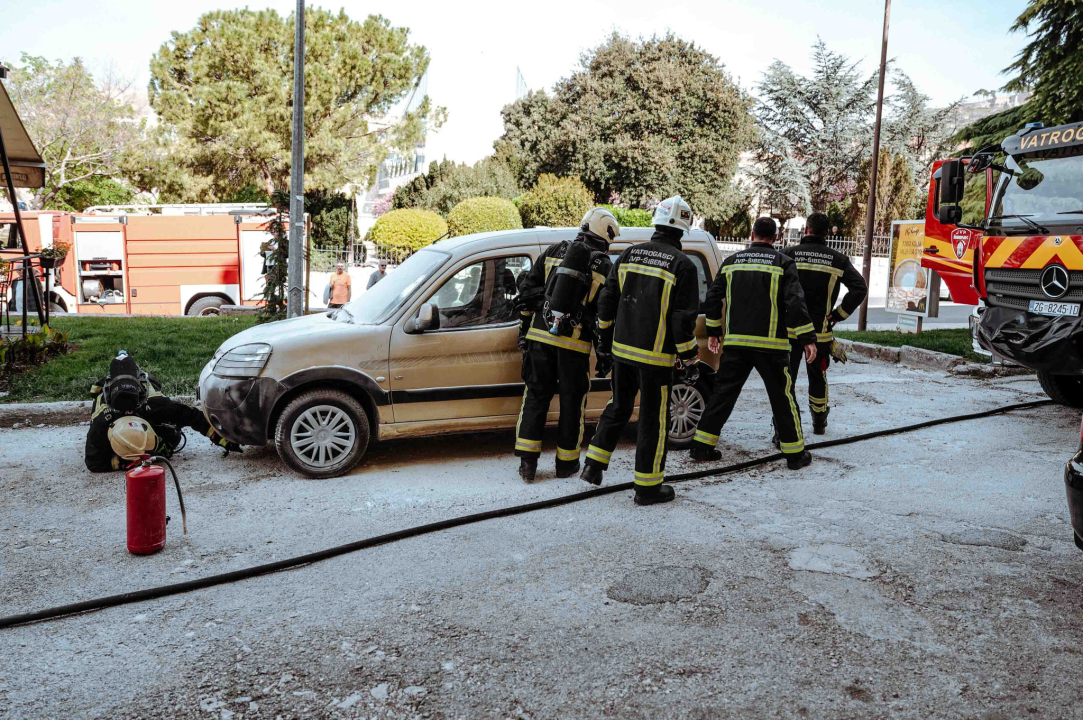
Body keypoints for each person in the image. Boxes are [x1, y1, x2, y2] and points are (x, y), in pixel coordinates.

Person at [581, 195, 701, 505]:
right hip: (656, 360)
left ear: (657, 223)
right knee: (653, 420)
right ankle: (648, 488)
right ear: (683, 229)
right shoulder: (683, 266)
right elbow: (681, 322)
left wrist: (605, 343)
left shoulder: (629, 254)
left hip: (622, 353)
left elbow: (606, 302)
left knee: (618, 406)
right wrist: (690, 359)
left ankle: (593, 466)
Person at [690, 216, 817, 470]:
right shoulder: (784, 263)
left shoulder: (731, 262)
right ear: (777, 238)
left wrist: (714, 331)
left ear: (752, 234)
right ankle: (794, 455)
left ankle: (701, 447)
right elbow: (795, 302)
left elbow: (713, 299)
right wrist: (807, 339)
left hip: (736, 345)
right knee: (783, 398)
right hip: (772, 347)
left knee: (722, 395)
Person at [513, 208, 618, 482]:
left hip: (539, 339)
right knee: (573, 404)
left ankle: (527, 464)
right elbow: (605, 313)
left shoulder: (552, 251)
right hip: (574, 347)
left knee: (535, 398)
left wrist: (524, 330)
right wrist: (604, 352)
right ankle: (566, 464)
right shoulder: (605, 266)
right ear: (604, 236)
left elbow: (526, 294)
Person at [780, 212, 868, 434]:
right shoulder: (837, 259)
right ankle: (819, 421)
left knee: (784, 380)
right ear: (827, 233)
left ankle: (782, 428)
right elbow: (860, 288)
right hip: (820, 335)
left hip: (789, 333)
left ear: (806, 230)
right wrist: (838, 314)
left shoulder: (787, 255)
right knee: (818, 377)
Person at [85, 351, 241, 472]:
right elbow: (93, 463)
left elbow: (191, 415)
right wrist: (125, 463)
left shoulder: (156, 407)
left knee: (173, 438)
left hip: (153, 420)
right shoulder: (102, 423)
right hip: (116, 436)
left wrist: (221, 437)